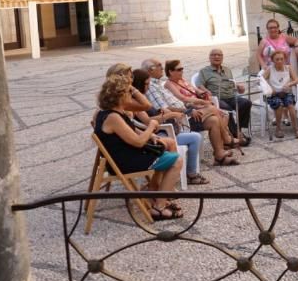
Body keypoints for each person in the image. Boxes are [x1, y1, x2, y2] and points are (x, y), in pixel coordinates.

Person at [93, 75, 184, 220]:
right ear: (121, 96)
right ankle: (159, 207)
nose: (132, 96)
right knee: (177, 160)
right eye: (129, 93)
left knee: (165, 147)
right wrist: (151, 127)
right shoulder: (114, 117)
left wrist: (150, 135)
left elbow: (136, 123)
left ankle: (156, 193)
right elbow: (138, 142)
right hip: (126, 162)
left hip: (123, 158)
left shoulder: (108, 113)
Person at [132, 68, 209, 185]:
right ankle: (187, 175)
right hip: (157, 134)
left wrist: (163, 112)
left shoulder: (142, 98)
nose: (148, 87)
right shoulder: (136, 103)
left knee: (196, 137)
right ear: (139, 84)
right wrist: (170, 114)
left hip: (163, 129)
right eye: (146, 83)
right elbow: (147, 121)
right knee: (194, 137)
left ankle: (190, 173)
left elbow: (153, 113)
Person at [164, 59, 240, 166]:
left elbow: (193, 90)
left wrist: (200, 92)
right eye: (179, 69)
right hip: (188, 113)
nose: (182, 71)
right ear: (170, 72)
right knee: (214, 109)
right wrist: (201, 101)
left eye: (182, 69)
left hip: (197, 108)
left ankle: (219, 155)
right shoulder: (169, 84)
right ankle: (226, 138)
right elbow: (183, 98)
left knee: (214, 120)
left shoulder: (182, 80)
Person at [198, 48, 252, 146]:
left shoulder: (227, 70)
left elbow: (232, 84)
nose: (216, 57)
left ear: (222, 57)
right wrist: (206, 91)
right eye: (214, 55)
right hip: (217, 98)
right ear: (209, 58)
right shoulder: (204, 71)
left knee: (246, 103)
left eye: (219, 55)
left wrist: (239, 86)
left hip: (230, 96)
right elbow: (199, 85)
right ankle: (236, 134)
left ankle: (237, 129)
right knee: (226, 108)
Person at [261, 49, 298, 139]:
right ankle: (278, 128)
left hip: (286, 93)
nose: (279, 61)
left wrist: (289, 84)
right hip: (274, 94)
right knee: (279, 104)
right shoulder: (270, 69)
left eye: (281, 59)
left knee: (290, 105)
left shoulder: (288, 68)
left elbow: (297, 80)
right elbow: (261, 80)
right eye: (277, 59)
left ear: (285, 59)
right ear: (273, 60)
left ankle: (296, 128)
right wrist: (270, 89)